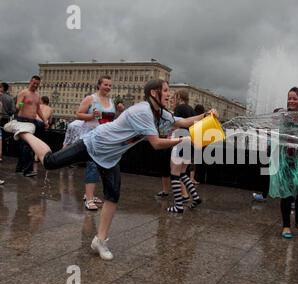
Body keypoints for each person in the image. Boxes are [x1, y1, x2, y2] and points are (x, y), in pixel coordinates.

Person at [3, 79, 218, 261]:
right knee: (49, 162)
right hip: (93, 143)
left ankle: (100, 241)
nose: (169, 94)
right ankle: (24, 132)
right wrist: (184, 140)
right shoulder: (143, 111)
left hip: (111, 156)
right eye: (165, 90)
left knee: (113, 196)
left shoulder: (159, 113)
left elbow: (182, 121)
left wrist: (207, 116)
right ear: (153, 93)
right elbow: (156, 143)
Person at [269, 88, 298, 239]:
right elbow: (274, 132)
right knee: (287, 194)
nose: (291, 101)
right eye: (289, 98)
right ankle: (286, 226)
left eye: (294, 99)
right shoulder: (283, 116)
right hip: (284, 159)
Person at [76, 76, 124, 210]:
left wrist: (119, 112)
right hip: (91, 136)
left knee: (101, 166)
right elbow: (78, 114)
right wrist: (91, 116)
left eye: (110, 85)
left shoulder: (111, 101)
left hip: (105, 137)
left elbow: (113, 120)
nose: (108, 87)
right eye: (105, 84)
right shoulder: (91, 99)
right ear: (99, 85)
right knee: (92, 164)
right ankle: (89, 199)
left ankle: (89, 194)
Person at [167, 90, 201, 213]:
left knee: (175, 174)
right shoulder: (190, 109)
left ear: (179, 97)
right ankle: (196, 198)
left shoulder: (179, 109)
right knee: (182, 173)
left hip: (181, 141)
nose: (172, 100)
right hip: (190, 143)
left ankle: (178, 206)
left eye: (173, 97)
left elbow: (176, 126)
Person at [11, 76, 46, 177]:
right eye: (34, 83)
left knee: (24, 146)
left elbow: (38, 109)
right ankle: (27, 170)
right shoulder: (24, 93)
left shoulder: (37, 96)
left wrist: (44, 121)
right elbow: (18, 106)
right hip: (23, 121)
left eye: (37, 84)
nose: (35, 85)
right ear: (30, 82)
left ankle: (19, 169)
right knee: (28, 146)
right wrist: (21, 104)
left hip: (32, 121)